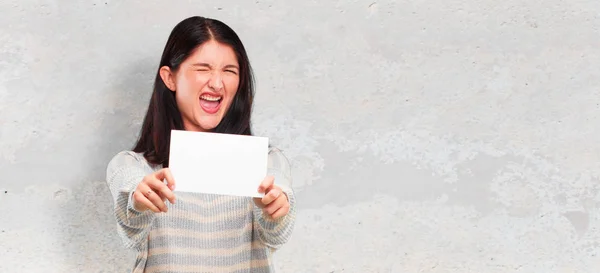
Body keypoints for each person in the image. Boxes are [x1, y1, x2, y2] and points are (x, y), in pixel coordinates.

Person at [105, 16, 296, 273]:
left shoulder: (266, 161)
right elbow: (131, 225)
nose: (217, 83)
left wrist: (277, 209)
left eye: (229, 71)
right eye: (203, 68)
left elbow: (276, 234)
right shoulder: (132, 166)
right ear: (169, 78)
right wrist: (139, 201)